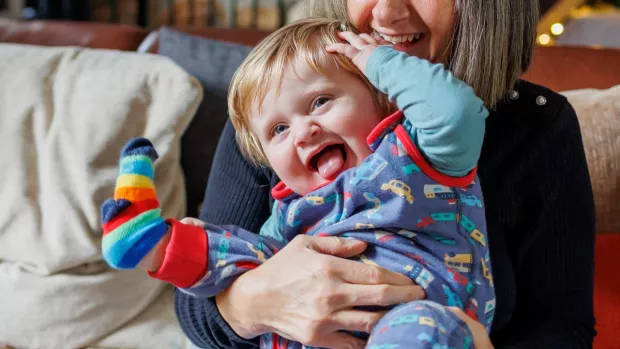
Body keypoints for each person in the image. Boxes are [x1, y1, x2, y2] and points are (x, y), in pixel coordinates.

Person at [175, 1, 596, 349]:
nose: (387, 13)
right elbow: (196, 304)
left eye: (323, 102)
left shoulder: (536, 126)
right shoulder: (278, 114)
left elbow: (562, 328)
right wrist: (253, 304)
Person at [101, 18, 493, 348]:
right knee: (246, 253)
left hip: (423, 314)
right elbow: (252, 281)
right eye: (279, 129)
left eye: (320, 101)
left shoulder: (417, 156)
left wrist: (381, 62)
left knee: (416, 329)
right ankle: (158, 244)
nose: (303, 132)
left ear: (383, 100)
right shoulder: (290, 210)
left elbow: (455, 113)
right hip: (309, 335)